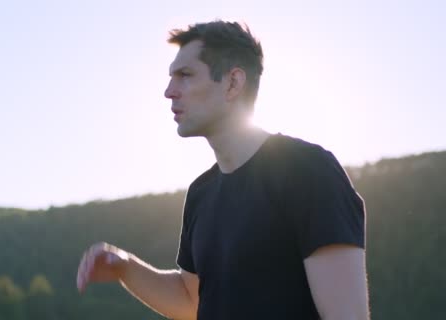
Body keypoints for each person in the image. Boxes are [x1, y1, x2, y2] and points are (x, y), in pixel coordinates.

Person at [76, 20, 369, 320]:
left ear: (232, 83)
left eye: (185, 75)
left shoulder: (309, 171)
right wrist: (125, 267)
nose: (169, 91)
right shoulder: (201, 194)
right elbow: (192, 301)